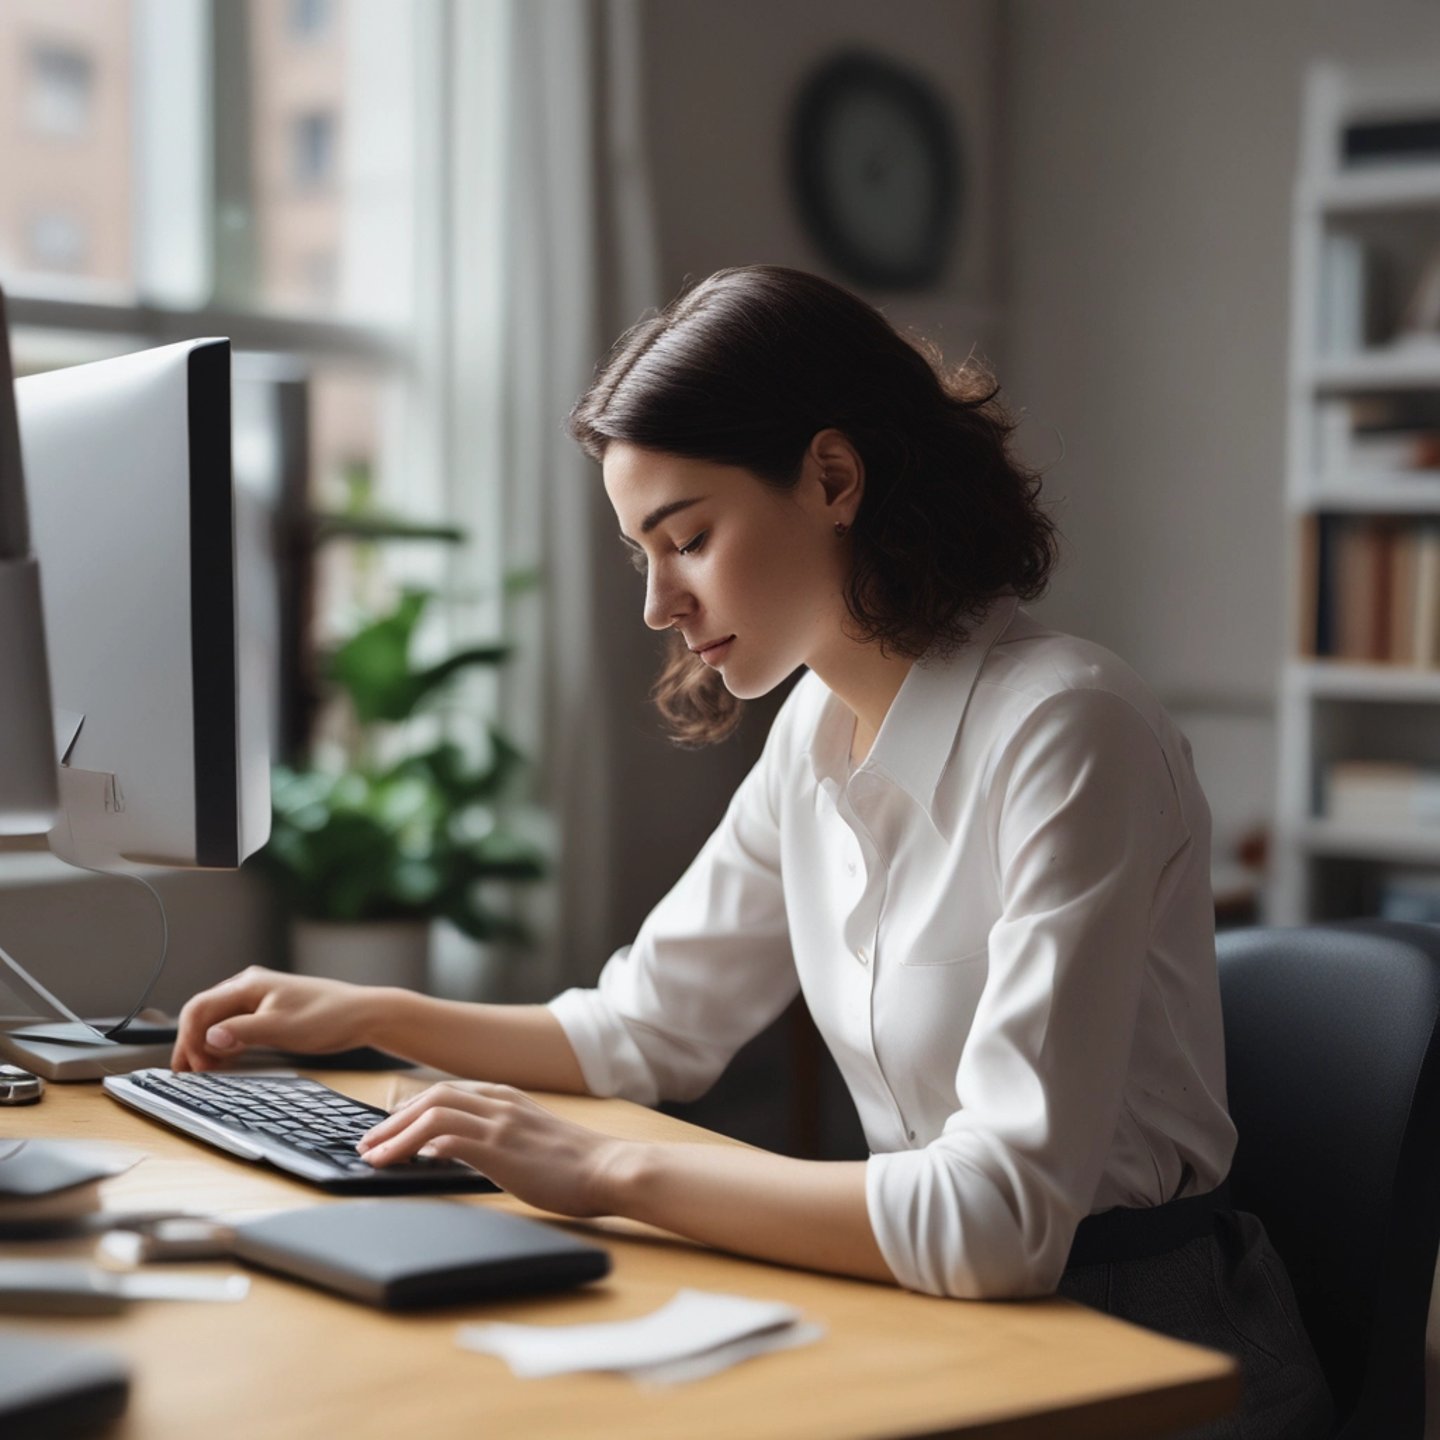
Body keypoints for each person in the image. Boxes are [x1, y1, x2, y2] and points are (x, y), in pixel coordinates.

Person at [175, 266, 1334, 1438]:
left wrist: (605, 1173)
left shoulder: (1070, 728)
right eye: (644, 553)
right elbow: (643, 1032)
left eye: (686, 538)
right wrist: (366, 1014)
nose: (658, 606)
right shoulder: (815, 735)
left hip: (1142, 1339)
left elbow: (999, 1219)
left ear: (834, 478)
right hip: (943, 1304)